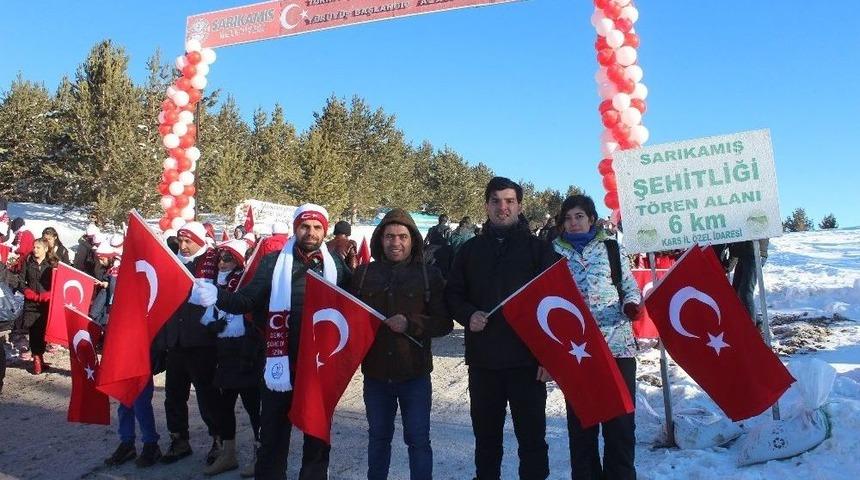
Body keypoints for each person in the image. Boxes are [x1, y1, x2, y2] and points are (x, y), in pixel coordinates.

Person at [191, 204, 350, 480]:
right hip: (279, 360)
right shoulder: (274, 261)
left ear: (325, 230)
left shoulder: (335, 265)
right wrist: (216, 295)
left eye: (316, 227)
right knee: (273, 431)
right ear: (295, 228)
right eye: (305, 226)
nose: (310, 232)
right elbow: (247, 300)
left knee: (316, 431)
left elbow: (352, 309)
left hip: (317, 364)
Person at [445, 177, 559, 480]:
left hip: (527, 363)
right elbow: (453, 294)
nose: (502, 207)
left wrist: (548, 357)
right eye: (496, 201)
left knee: (532, 440)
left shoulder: (539, 250)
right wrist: (468, 315)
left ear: (519, 206)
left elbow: (554, 303)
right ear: (486, 206)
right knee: (486, 441)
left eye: (509, 201)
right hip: (484, 363)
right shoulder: (469, 250)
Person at [349, 209, 452, 480]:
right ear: (380, 239)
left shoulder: (429, 275)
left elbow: (444, 323)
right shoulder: (362, 274)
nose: (396, 242)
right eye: (390, 236)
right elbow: (346, 318)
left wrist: (411, 323)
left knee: (418, 441)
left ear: (413, 240)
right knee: (378, 439)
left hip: (414, 376)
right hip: (376, 375)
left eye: (403, 236)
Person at [551, 195, 640, 480]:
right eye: (568, 218)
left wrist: (631, 304)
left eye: (579, 216)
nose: (573, 223)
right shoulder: (552, 252)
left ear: (591, 218)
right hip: (577, 350)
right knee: (582, 424)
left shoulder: (612, 248)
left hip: (617, 345)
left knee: (621, 425)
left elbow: (629, 286)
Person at [160, 221, 223, 466]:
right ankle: (179, 439)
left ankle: (219, 440)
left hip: (202, 342)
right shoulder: (173, 263)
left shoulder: (213, 263)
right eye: (180, 241)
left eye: (188, 241)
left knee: (207, 395)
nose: (183, 246)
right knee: (174, 395)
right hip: (176, 340)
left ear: (199, 240)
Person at [205, 239, 263, 477]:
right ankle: (228, 454)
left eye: (227, 258)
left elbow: (256, 314)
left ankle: (261, 455)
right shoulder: (217, 283)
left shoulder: (248, 281)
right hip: (224, 352)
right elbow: (208, 315)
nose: (221, 263)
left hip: (247, 352)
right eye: (220, 258)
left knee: (254, 407)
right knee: (223, 406)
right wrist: (211, 325)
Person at [16, 238, 57, 374]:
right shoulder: (28, 262)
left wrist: (50, 294)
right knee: (34, 331)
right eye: (34, 247)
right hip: (31, 302)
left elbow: (59, 281)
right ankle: (37, 359)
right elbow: (20, 281)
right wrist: (27, 291)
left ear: (45, 249)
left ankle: (40, 356)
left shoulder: (52, 264)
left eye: (38, 247)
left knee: (44, 331)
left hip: (46, 303)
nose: (35, 250)